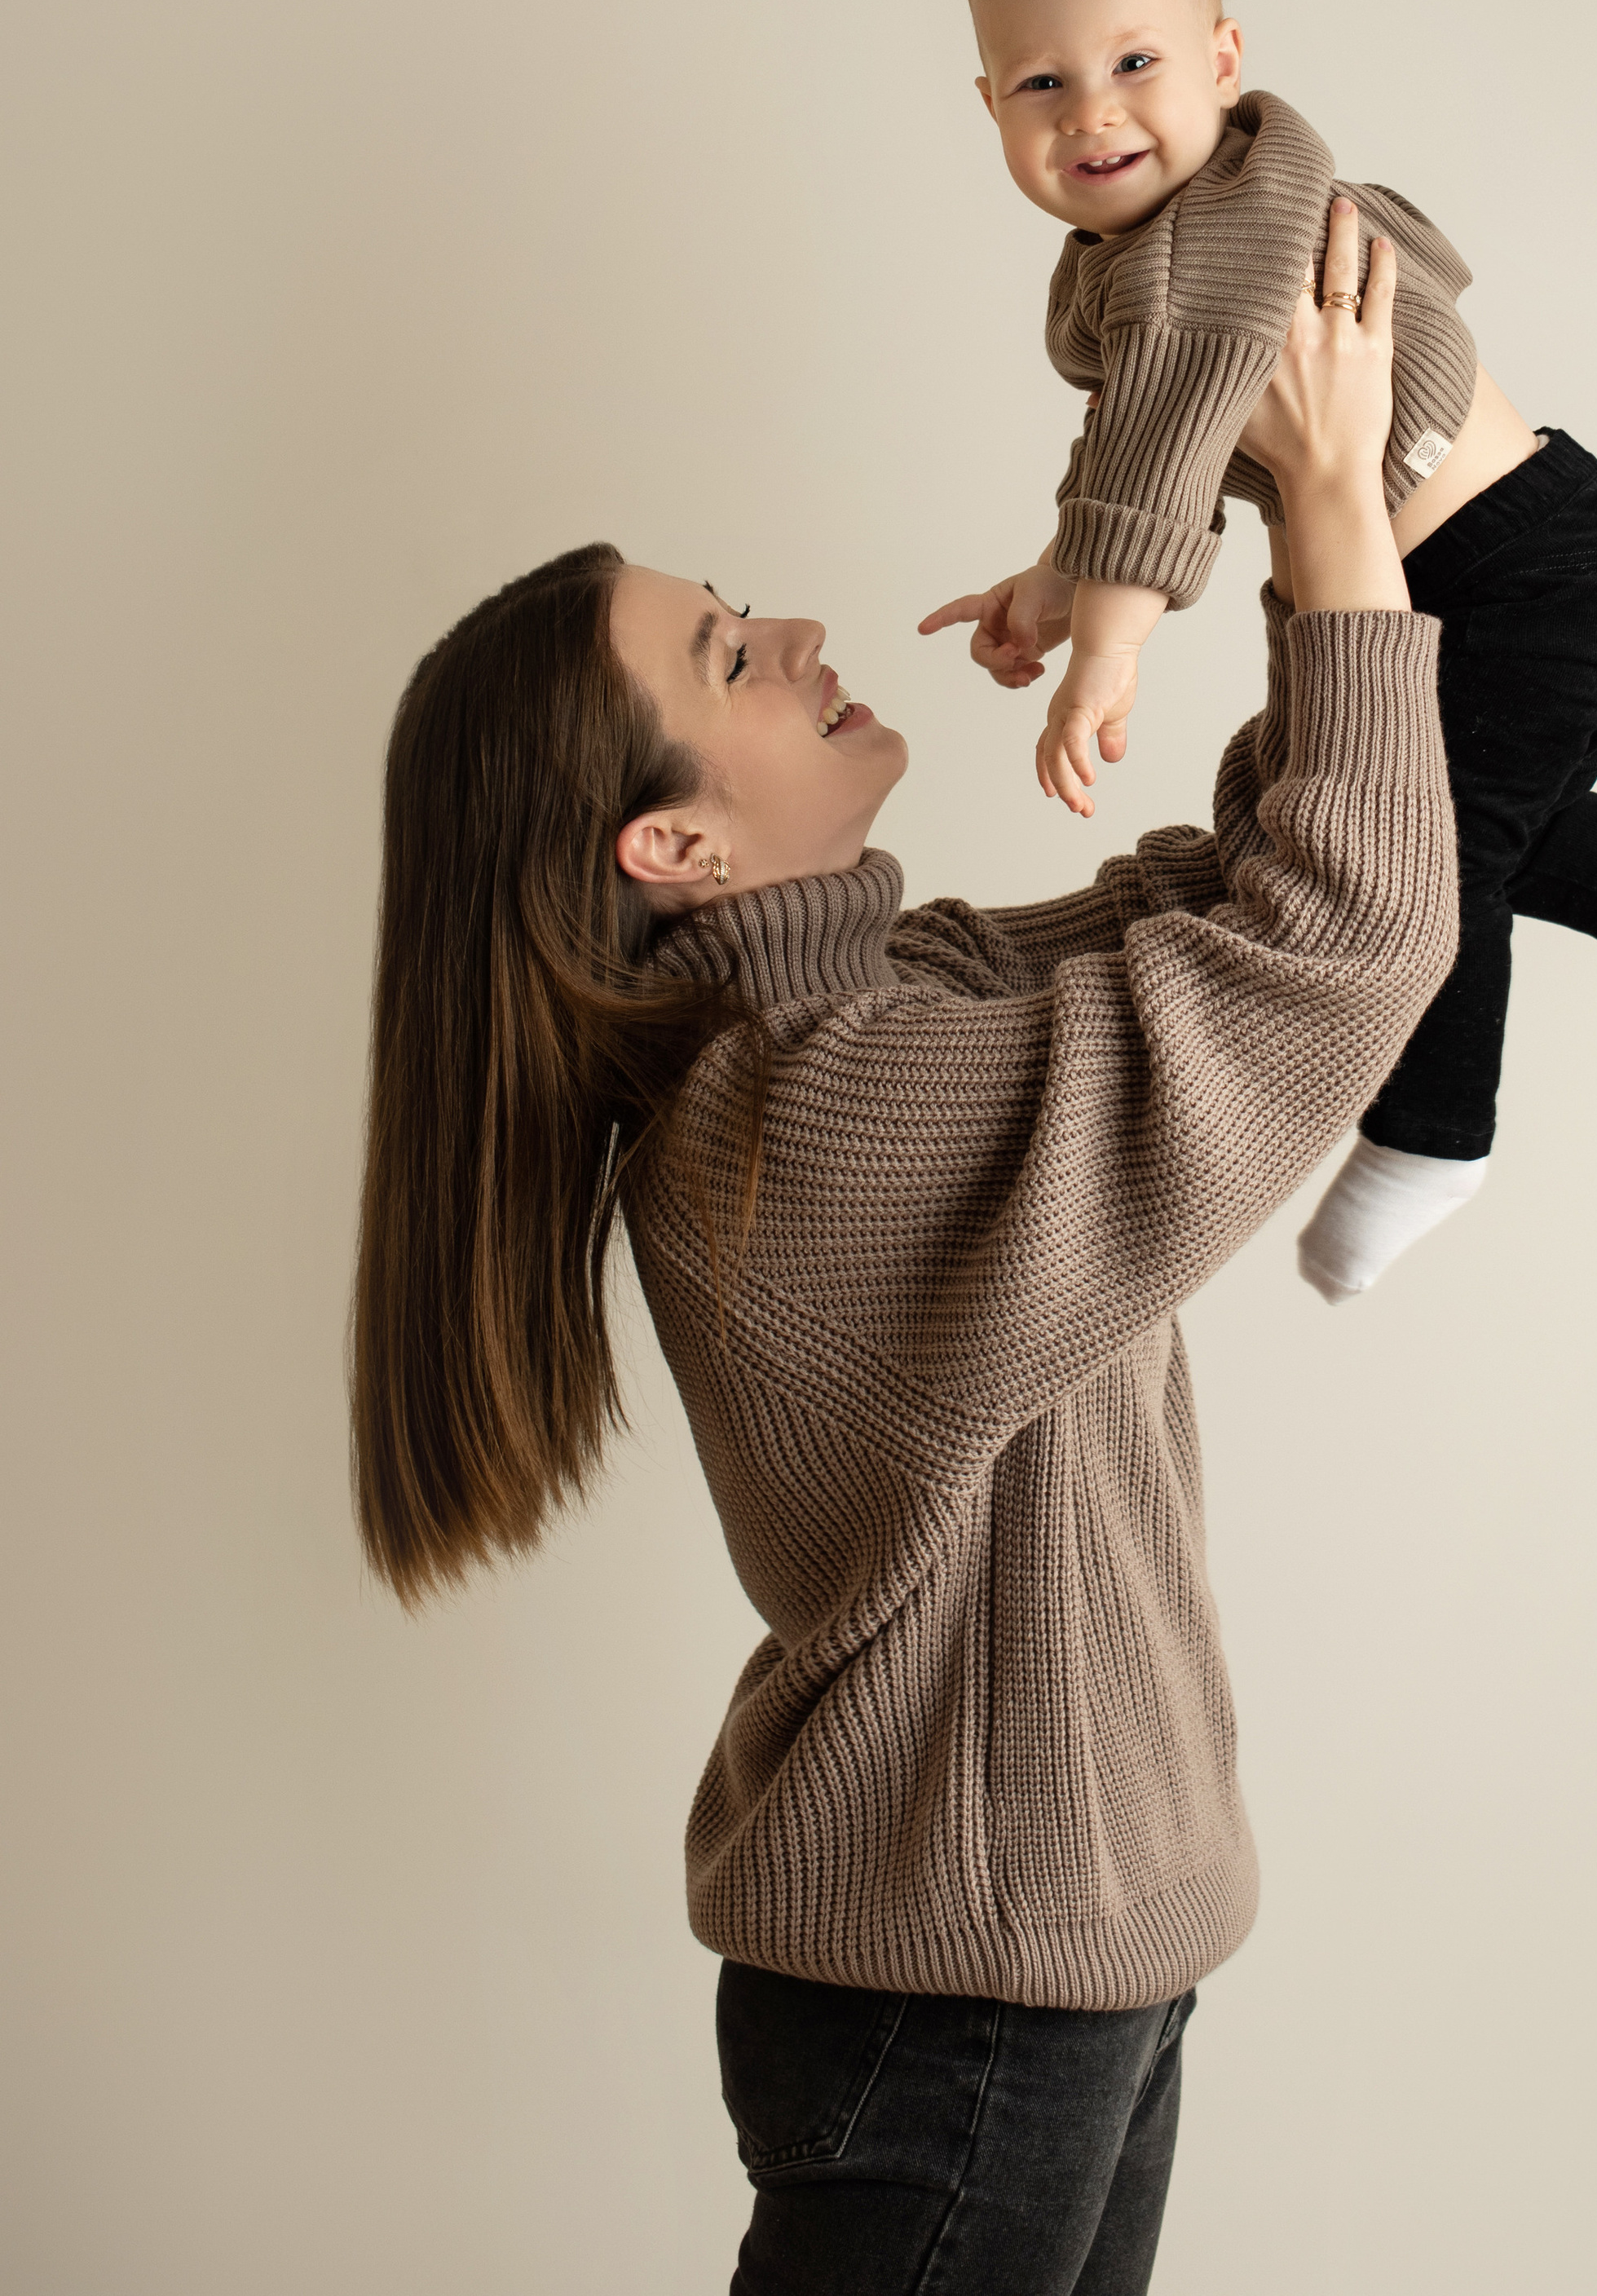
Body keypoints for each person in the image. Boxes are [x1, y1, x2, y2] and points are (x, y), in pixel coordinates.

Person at [352, 206, 1455, 2296]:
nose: (794, 641)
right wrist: (1321, 515)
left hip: (1033, 1987)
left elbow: (1236, 885)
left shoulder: (885, 1012)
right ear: (671, 847)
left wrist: (1319, 502)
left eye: (747, 613)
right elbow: (1335, 948)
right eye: (727, 658)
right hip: (967, 2020)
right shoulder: (819, 1121)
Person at [924, 0, 1597, 1299]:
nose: (1092, 112)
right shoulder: (1158, 245)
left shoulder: (1209, 251)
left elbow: (1167, 447)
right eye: (1040, 84)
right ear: (987, 106)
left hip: (1526, 570)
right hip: (1452, 577)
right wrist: (1056, 583)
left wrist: (1107, 653)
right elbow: (1130, 441)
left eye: (1134, 63)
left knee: (1428, 859)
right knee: (1451, 826)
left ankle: (1435, 1133)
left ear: (1225, 62)